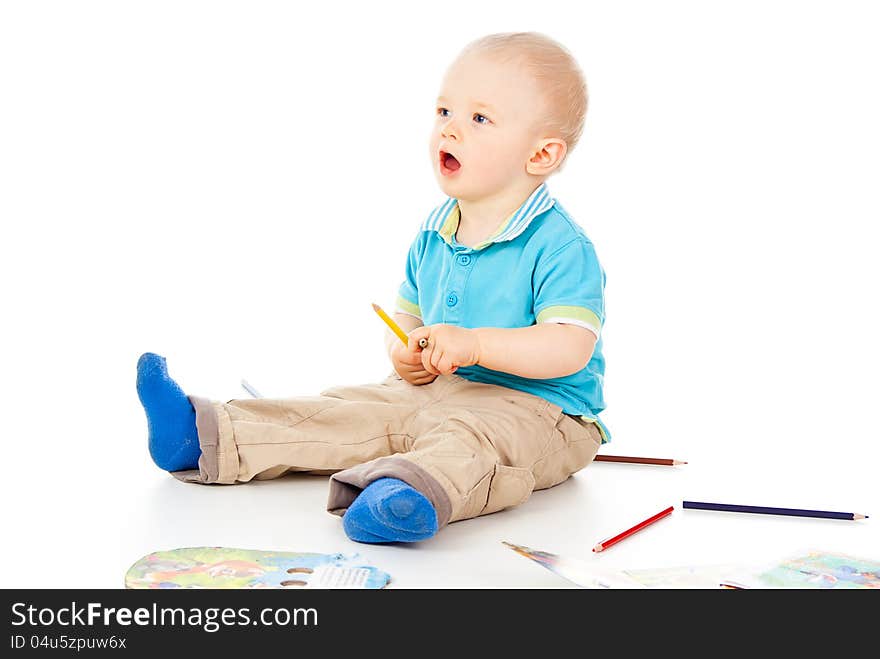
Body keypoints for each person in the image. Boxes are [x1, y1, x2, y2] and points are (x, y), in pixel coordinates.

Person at [136, 31, 610, 544]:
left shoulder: (560, 245)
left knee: (473, 444)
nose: (449, 130)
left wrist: (476, 345)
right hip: (437, 390)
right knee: (346, 411)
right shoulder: (435, 230)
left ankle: (405, 496)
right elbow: (407, 314)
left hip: (540, 410)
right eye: (444, 111)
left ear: (540, 154)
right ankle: (205, 435)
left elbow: (569, 347)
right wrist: (402, 345)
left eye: (478, 119)